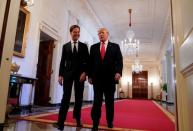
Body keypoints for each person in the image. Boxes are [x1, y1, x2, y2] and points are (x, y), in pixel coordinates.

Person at [88, 28, 123, 130]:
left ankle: (109, 121)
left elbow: (119, 61)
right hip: (97, 80)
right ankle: (95, 123)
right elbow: (90, 63)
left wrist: (118, 72)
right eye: (99, 33)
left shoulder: (115, 47)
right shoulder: (93, 47)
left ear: (107, 34)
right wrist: (90, 76)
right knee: (97, 102)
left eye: (102, 33)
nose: (100, 34)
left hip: (110, 79)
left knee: (109, 102)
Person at [55, 25, 89, 130]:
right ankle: (61, 121)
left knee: (79, 98)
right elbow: (62, 62)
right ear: (71, 33)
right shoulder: (65, 46)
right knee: (66, 97)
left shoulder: (84, 46)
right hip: (68, 74)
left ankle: (78, 119)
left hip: (80, 76)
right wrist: (60, 75)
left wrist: (85, 73)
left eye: (78, 32)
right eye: (75, 32)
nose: (77, 34)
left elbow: (88, 61)